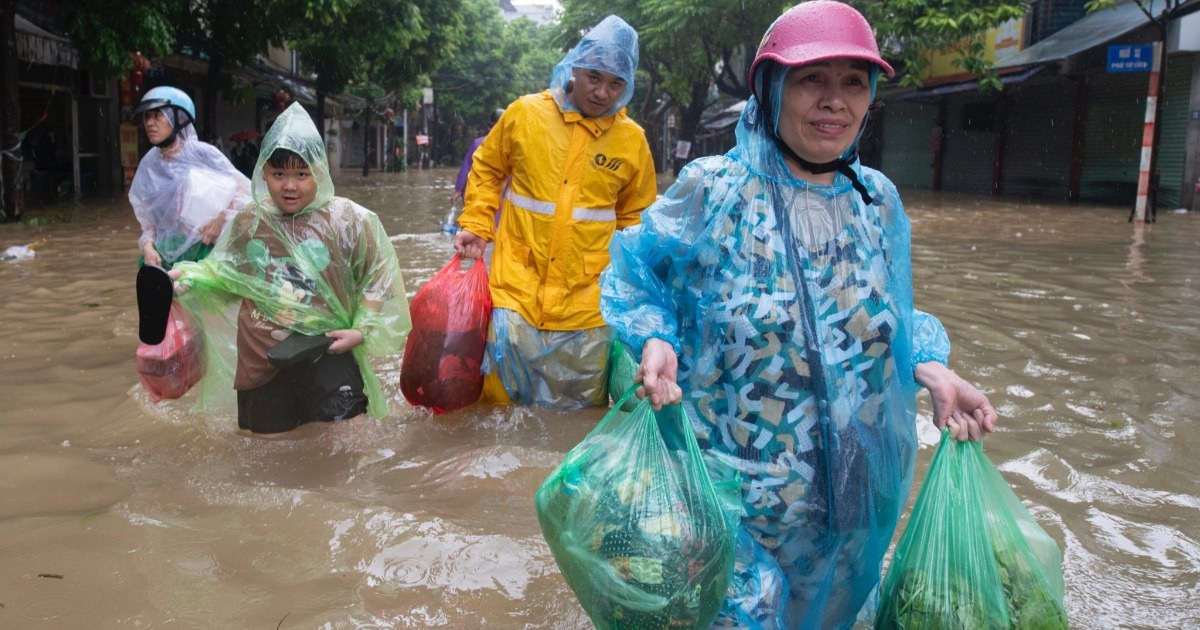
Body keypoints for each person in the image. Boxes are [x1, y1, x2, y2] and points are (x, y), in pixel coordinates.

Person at [599, 2, 998, 627]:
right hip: (735, 500)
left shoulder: (878, 203)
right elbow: (635, 272)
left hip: (850, 504)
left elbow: (893, 312)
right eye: (813, 79)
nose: (835, 101)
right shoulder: (714, 190)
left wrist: (933, 368)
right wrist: (654, 337)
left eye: (853, 82)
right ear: (771, 87)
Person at [169, 103, 411, 437]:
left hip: (329, 349)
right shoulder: (250, 222)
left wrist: (362, 330)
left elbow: (378, 278)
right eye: (278, 174)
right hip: (262, 355)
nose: (290, 186)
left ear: (320, 172)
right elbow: (228, 278)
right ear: (263, 173)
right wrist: (190, 280)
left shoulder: (349, 221)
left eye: (301, 174)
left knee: (350, 441)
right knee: (271, 454)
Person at [454, 14, 657, 409]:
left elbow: (638, 219)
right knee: (497, 409)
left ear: (627, 86)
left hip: (588, 305)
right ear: (575, 68)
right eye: (594, 77)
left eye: (616, 83)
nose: (602, 92)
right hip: (515, 289)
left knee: (578, 417)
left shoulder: (632, 141)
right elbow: (489, 166)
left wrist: (637, 296)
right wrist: (478, 224)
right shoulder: (525, 115)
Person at [129, 86, 251, 269]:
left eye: (158, 115)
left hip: (208, 253)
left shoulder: (203, 154)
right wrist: (147, 247)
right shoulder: (148, 165)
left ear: (178, 118)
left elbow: (247, 193)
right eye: (147, 116)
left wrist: (221, 219)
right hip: (166, 258)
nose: (150, 123)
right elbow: (149, 223)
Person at [450, 108, 505, 207]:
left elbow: (467, 169)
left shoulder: (478, 143)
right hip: (501, 195)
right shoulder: (510, 145)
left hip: (479, 193)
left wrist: (458, 191)